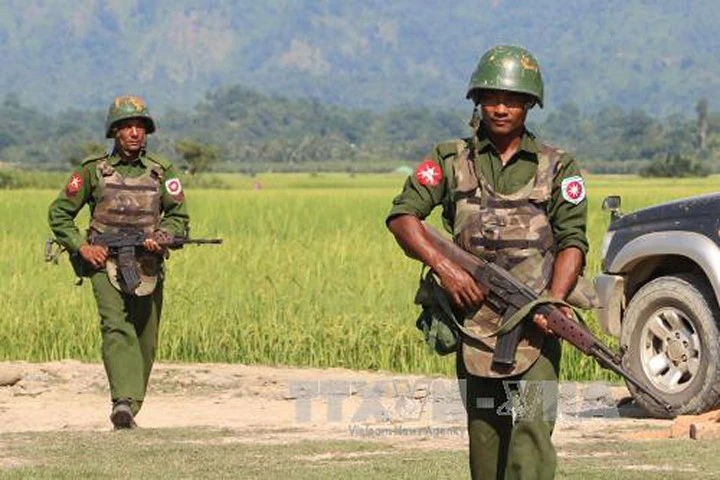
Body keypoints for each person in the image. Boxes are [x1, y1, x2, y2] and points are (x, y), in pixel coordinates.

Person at [386, 45, 590, 479]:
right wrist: (448, 269)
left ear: (530, 104)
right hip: (474, 324)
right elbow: (403, 219)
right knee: (485, 436)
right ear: (477, 101)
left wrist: (551, 302)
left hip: (536, 325)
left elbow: (573, 240)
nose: (501, 108)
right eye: (492, 98)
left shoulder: (559, 167)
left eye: (513, 99)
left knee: (533, 429)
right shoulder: (448, 159)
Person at [48, 95, 189, 429]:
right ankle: (122, 402)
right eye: (126, 126)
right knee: (115, 326)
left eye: (140, 126)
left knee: (146, 336)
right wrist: (81, 247)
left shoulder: (162, 171)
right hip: (102, 263)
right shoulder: (91, 172)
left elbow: (179, 217)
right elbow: (60, 213)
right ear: (114, 132)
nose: (134, 133)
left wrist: (164, 236)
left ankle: (131, 404)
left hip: (148, 264)